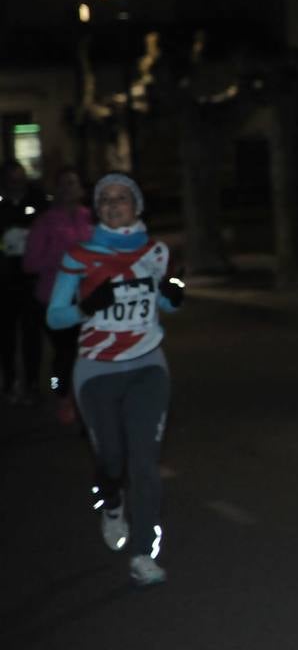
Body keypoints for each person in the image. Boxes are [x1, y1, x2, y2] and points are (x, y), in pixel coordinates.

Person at [47, 173, 184, 587]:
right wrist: (87, 307)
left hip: (147, 367)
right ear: (98, 209)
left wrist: (174, 292)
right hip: (97, 370)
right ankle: (110, 502)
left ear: (136, 206)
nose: (112, 204)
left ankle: (143, 553)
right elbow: (55, 316)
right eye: (104, 199)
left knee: (144, 463)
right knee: (111, 460)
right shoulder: (79, 256)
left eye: (121, 197)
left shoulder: (156, 252)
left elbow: (166, 303)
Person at [23, 166, 93, 424]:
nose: (68, 189)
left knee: (85, 350)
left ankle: (84, 393)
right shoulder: (45, 222)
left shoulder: (88, 218)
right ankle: (60, 392)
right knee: (63, 353)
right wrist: (61, 259)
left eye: (73, 183)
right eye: (63, 184)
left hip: (85, 296)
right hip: (53, 298)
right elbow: (30, 263)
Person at [0, 159, 46, 405]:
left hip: (31, 279)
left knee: (32, 335)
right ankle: (10, 382)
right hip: (5, 280)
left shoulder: (36, 198)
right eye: (11, 181)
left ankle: (34, 383)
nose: (15, 185)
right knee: (7, 335)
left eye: (19, 180)